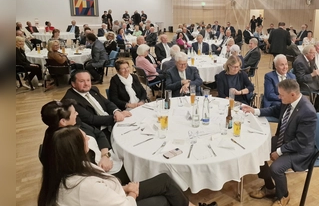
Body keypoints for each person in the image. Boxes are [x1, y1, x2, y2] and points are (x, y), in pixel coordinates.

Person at [37, 126, 198, 206]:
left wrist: (124, 188)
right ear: (76, 148)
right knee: (164, 200)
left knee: (164, 180)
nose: (88, 139)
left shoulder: (69, 167)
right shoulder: (83, 184)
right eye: (84, 138)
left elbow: (103, 190)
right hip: (122, 201)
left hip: (115, 194)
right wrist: (132, 193)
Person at [242, 79, 317, 206]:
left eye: (281, 95)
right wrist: (255, 111)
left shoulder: (308, 112)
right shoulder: (288, 101)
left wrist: (279, 151)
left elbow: (301, 142)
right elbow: (274, 110)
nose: (278, 97)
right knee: (258, 150)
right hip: (285, 139)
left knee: (276, 168)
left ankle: (284, 195)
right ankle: (269, 187)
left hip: (300, 150)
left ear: (292, 94)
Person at [39, 99, 130, 185]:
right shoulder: (63, 145)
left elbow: (98, 134)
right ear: (63, 121)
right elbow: (84, 175)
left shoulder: (75, 123)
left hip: (103, 158)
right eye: (74, 112)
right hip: (96, 176)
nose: (77, 114)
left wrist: (105, 155)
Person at [62, 70, 132, 141]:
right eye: (82, 81)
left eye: (88, 80)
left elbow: (107, 103)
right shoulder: (70, 100)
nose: (86, 84)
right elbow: (91, 119)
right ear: (73, 84)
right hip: (98, 132)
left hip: (111, 123)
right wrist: (115, 117)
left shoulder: (93, 89)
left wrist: (116, 111)